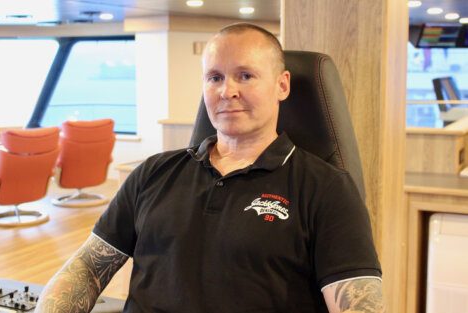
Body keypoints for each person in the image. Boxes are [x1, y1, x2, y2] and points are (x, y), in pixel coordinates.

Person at [36, 23, 384, 313]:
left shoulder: (326, 188)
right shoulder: (154, 173)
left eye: (245, 76)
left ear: (282, 85)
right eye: (214, 77)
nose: (226, 91)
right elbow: (87, 269)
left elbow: (358, 300)